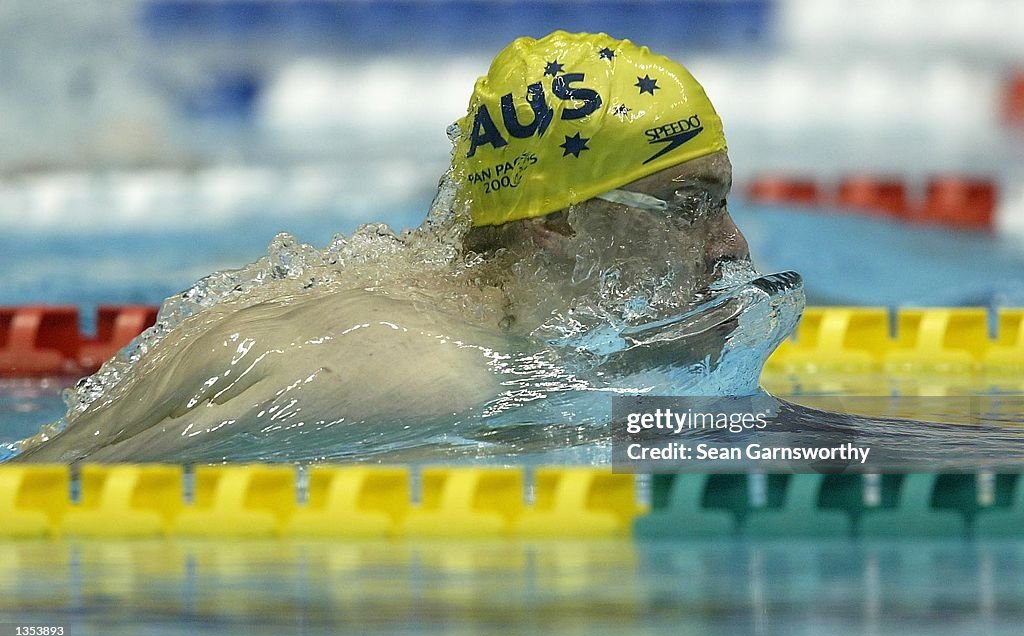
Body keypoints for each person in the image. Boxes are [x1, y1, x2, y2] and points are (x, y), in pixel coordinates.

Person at [15, 31, 789, 463]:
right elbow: (56, 503)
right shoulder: (420, 375)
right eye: (691, 206)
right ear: (553, 222)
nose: (731, 244)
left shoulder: (428, 308)